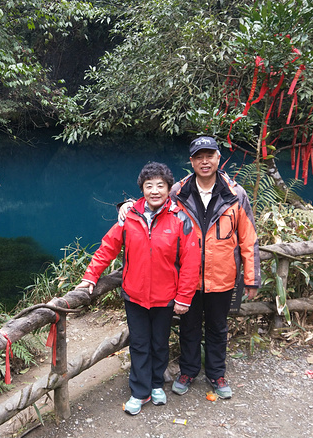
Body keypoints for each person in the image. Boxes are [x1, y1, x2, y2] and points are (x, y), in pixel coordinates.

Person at [118, 136, 261, 400]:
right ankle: (188, 370)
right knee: (188, 327)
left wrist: (251, 279)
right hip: (187, 278)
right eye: (199, 157)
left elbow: (248, 239)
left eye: (210, 156)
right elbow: (149, 202)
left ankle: (217, 374)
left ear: (219, 158)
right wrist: (126, 206)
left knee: (218, 328)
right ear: (192, 161)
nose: (204, 161)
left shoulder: (235, 194)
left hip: (222, 276)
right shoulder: (178, 192)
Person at [76, 162, 200, 416]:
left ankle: (156, 384)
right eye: (149, 185)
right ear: (142, 189)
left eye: (160, 185)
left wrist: (184, 297)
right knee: (140, 344)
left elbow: (191, 261)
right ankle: (140, 391)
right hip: (134, 295)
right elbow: (107, 248)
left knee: (160, 342)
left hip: (166, 297)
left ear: (169, 188)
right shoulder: (129, 217)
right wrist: (90, 277)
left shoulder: (180, 218)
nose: (155, 190)